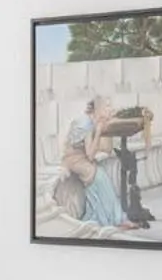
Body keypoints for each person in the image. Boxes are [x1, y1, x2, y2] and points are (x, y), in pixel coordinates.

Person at [58, 96, 139, 230]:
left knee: (101, 173)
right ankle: (113, 219)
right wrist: (99, 131)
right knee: (100, 175)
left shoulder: (93, 122)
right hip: (74, 159)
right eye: (107, 106)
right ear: (99, 109)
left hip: (82, 157)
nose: (110, 109)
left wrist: (106, 128)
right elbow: (90, 154)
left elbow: (106, 149)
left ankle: (116, 218)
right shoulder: (86, 124)